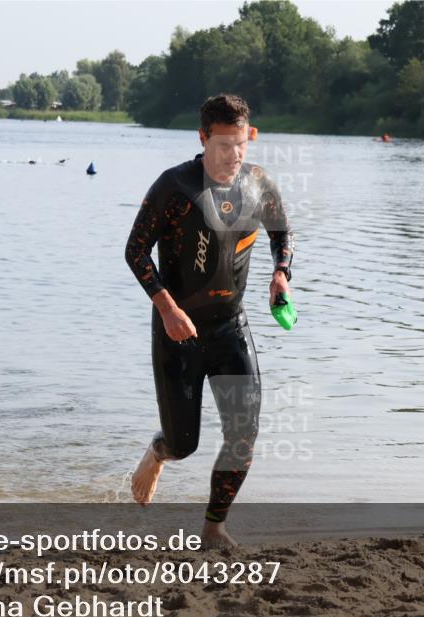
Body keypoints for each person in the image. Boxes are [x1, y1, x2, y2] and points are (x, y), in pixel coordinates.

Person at [124, 93, 294, 548]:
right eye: (222, 145)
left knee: (244, 436)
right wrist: (167, 307)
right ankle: (159, 452)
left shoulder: (258, 184)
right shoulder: (174, 187)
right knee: (185, 444)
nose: (233, 155)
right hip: (178, 333)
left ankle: (213, 528)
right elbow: (135, 250)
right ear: (202, 138)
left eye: (240, 144)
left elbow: (282, 231)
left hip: (230, 328)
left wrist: (281, 273)